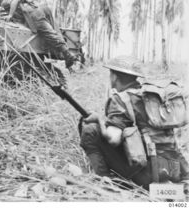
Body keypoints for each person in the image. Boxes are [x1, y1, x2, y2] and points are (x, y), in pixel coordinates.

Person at [79, 55, 189, 189]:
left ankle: (104, 183)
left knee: (90, 129)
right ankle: (168, 190)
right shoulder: (151, 97)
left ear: (114, 77)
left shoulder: (121, 99)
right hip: (172, 171)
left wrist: (99, 119)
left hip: (147, 176)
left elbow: (113, 139)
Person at [0, 0, 77, 69]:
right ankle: (63, 54)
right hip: (40, 9)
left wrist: (10, 15)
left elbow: (15, 1)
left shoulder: (5, 2)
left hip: (33, 13)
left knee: (48, 33)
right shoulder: (16, 0)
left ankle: (68, 55)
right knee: (53, 31)